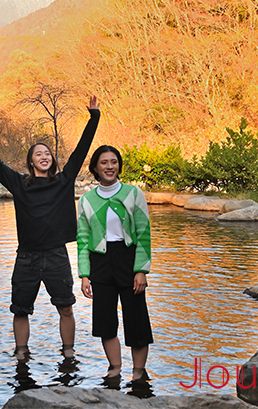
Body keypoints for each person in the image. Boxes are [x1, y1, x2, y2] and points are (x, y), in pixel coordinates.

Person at [0, 96, 100, 360]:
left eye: (47, 154)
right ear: (31, 162)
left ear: (52, 160)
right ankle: (21, 354)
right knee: (20, 310)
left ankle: (68, 353)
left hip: (56, 255)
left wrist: (94, 117)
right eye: (38, 154)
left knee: (66, 307)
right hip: (27, 257)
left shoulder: (64, 180)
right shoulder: (20, 183)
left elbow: (81, 150)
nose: (44, 157)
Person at [77, 145, 153, 382]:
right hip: (100, 262)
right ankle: (115, 368)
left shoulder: (133, 193)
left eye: (113, 162)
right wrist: (84, 274)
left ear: (119, 165)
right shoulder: (87, 200)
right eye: (104, 163)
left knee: (136, 318)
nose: (109, 167)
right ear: (95, 168)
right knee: (104, 320)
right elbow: (83, 239)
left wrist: (141, 270)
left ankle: (138, 372)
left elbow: (143, 233)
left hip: (127, 258)